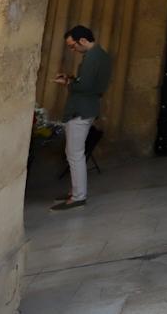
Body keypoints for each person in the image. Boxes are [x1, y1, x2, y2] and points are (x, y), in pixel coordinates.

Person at [50, 26, 113, 211]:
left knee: (74, 154)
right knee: (75, 154)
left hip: (81, 109)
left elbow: (84, 86)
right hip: (88, 106)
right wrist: (71, 79)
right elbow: (90, 83)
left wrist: (67, 82)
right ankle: (75, 192)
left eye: (73, 46)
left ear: (83, 41)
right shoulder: (101, 54)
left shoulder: (92, 56)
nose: (73, 50)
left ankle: (78, 196)